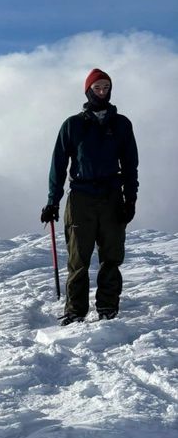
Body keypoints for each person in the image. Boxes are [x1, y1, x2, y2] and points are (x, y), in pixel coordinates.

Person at [41, 68, 139, 324]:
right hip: (81, 198)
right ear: (88, 90)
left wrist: (130, 199)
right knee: (78, 258)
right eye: (97, 87)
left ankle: (108, 307)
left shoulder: (121, 124)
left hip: (111, 197)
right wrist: (53, 201)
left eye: (106, 87)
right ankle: (75, 310)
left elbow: (130, 165)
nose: (102, 91)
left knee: (112, 255)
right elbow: (58, 165)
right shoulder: (72, 125)